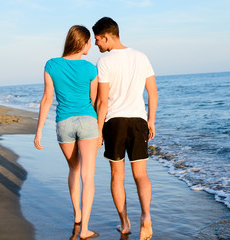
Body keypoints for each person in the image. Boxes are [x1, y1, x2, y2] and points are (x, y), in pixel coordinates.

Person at [93, 17, 158, 240]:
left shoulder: (104, 62)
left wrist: (99, 130)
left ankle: (125, 223)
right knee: (141, 174)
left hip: (115, 122)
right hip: (138, 121)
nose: (96, 44)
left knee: (117, 175)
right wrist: (151, 120)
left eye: (98, 40)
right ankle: (146, 216)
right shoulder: (141, 57)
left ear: (107, 36)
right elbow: (153, 92)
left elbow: (102, 102)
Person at [34, 25, 99, 240]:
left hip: (64, 123)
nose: (91, 45)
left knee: (74, 170)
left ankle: (77, 216)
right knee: (87, 176)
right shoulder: (90, 69)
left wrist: (39, 132)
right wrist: (101, 130)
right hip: (88, 122)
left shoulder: (51, 65)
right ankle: (86, 229)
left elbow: (47, 99)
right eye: (89, 41)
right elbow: (95, 101)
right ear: (82, 43)